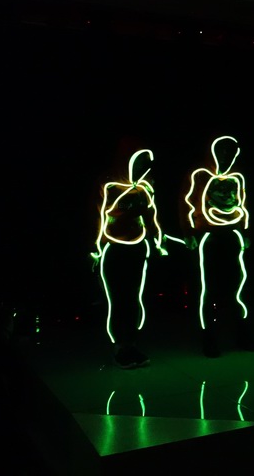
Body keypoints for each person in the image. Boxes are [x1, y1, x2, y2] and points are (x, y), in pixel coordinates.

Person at [91, 147, 168, 369]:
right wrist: (96, 249)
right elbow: (99, 217)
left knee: (134, 298)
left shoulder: (145, 188)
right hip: (113, 248)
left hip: (137, 248)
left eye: (146, 163)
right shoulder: (109, 185)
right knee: (116, 299)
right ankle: (118, 348)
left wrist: (158, 240)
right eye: (140, 162)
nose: (144, 168)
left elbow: (152, 216)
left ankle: (131, 344)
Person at [183, 135, 254, 357]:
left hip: (232, 235)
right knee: (208, 290)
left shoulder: (237, 177)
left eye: (230, 151)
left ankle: (241, 334)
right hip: (208, 236)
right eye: (222, 150)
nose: (226, 155)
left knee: (237, 288)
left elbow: (243, 203)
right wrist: (189, 233)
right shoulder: (200, 174)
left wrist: (245, 232)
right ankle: (209, 338)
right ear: (212, 151)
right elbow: (186, 203)